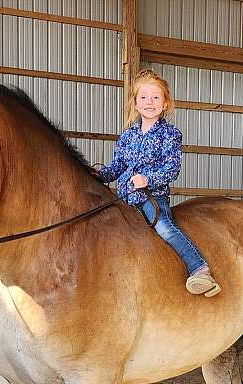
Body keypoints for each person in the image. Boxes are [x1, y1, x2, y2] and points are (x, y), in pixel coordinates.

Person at [95, 69, 221, 297]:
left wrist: (147, 180)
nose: (149, 102)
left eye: (155, 97)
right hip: (124, 198)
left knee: (165, 229)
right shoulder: (128, 136)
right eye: (143, 97)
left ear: (165, 104)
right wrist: (99, 175)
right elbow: (118, 166)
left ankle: (199, 269)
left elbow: (171, 169)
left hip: (151, 198)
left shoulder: (170, 134)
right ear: (135, 103)